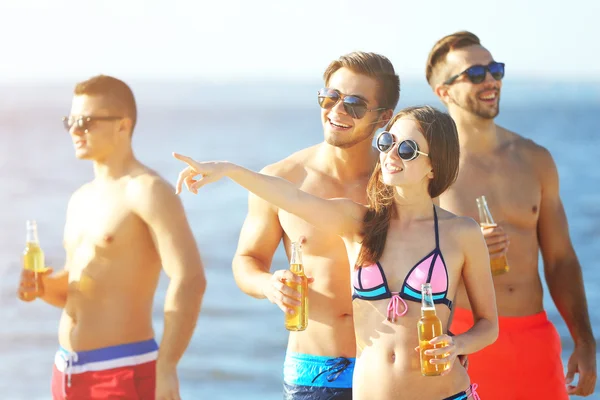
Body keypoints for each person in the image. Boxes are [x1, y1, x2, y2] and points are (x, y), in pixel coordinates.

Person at [173, 104, 498, 400]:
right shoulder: (358, 223)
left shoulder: (461, 233)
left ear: (434, 166)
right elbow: (293, 198)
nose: (390, 155)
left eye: (407, 149)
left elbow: (488, 324)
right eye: (386, 142)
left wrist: (458, 344)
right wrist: (231, 170)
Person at [425, 31, 597, 398]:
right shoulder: (431, 169)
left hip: (533, 336)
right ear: (444, 91)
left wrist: (585, 341)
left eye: (495, 69)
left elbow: (561, 259)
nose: (490, 80)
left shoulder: (535, 159)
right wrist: (467, 250)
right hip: (463, 336)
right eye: (475, 74)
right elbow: (405, 261)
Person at [17, 75, 207, 400]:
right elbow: (83, 289)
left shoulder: (148, 191)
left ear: (123, 125)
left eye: (86, 121)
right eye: (70, 121)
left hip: (123, 371)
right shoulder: (80, 198)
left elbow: (190, 279)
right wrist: (44, 287)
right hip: (66, 373)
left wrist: (167, 367)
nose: (75, 130)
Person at [228, 51, 400, 399]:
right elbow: (246, 260)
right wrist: (269, 284)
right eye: (330, 97)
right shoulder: (281, 179)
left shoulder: (398, 184)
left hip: (392, 369)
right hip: (314, 373)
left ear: (383, 117)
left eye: (354, 104)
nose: (336, 111)